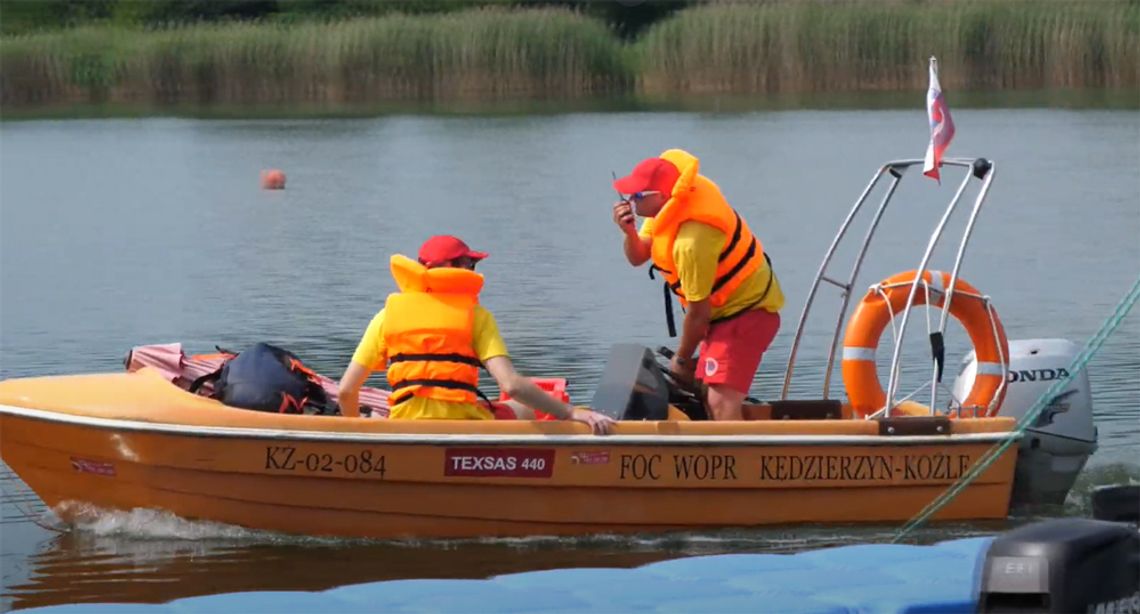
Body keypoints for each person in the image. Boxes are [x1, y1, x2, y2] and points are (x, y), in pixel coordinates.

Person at [338, 235, 615, 434]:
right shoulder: (477, 317)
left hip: (404, 423)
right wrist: (570, 413)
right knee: (524, 410)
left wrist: (356, 433)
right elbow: (512, 386)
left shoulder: (387, 316)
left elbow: (347, 391)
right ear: (455, 269)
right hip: (466, 425)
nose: (474, 271)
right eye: (470, 265)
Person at [611, 149, 784, 420]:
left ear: (662, 196)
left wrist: (681, 360)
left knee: (720, 403)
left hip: (746, 315)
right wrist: (629, 232)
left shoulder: (692, 242)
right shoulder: (663, 209)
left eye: (638, 196)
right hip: (718, 317)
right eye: (629, 195)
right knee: (705, 396)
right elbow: (637, 256)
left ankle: (741, 459)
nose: (631, 202)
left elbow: (698, 314)